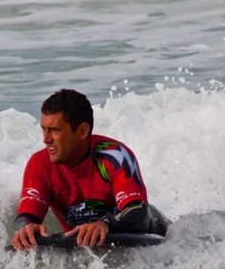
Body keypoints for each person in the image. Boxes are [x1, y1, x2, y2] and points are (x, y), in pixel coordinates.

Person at [11, 89, 169, 251]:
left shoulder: (114, 156)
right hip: (94, 247)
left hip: (156, 237)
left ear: (82, 131)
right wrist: (26, 227)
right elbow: (27, 216)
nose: (46, 139)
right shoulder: (40, 165)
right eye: (43, 129)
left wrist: (105, 224)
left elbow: (138, 215)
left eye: (55, 130)